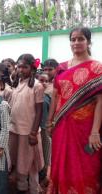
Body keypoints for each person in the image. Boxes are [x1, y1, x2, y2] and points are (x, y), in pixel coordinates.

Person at [46, 27, 102, 194]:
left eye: (81, 39)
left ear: (88, 42)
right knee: (62, 163)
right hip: (62, 127)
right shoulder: (62, 67)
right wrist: (49, 122)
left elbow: (100, 101)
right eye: (73, 39)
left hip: (85, 129)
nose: (76, 42)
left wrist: (95, 132)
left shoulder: (97, 68)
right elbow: (56, 96)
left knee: (86, 167)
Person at [10, 54, 44, 194]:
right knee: (20, 160)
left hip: (28, 131)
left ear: (32, 68)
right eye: (19, 66)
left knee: (32, 163)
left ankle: (34, 189)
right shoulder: (17, 83)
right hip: (15, 129)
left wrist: (33, 132)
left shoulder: (37, 86)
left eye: (25, 67)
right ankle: (22, 186)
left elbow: (39, 110)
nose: (21, 70)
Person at [38, 59, 59, 182]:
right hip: (37, 125)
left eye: (50, 69)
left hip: (48, 125)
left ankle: (46, 175)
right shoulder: (38, 85)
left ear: (56, 70)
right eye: (45, 69)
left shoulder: (56, 86)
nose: (47, 71)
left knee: (47, 151)